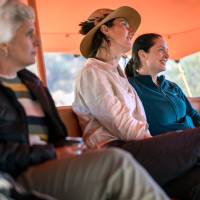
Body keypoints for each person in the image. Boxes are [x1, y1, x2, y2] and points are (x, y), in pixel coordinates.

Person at [0, 1, 170, 200]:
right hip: (16, 176)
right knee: (118, 163)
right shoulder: (91, 72)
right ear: (4, 42)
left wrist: (65, 149)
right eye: (29, 33)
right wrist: (52, 153)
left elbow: (58, 139)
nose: (37, 41)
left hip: (51, 165)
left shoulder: (34, 85)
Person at [73, 5, 200, 200]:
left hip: (134, 151)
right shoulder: (92, 72)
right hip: (113, 157)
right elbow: (121, 124)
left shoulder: (117, 74)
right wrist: (160, 147)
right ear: (105, 29)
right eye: (124, 24)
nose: (131, 31)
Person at [125, 33, 200, 135]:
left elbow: (193, 114)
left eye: (167, 50)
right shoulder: (131, 88)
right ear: (142, 54)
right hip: (171, 146)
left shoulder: (172, 86)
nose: (167, 55)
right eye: (161, 50)